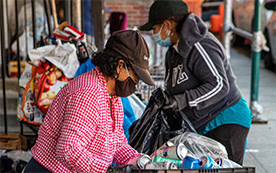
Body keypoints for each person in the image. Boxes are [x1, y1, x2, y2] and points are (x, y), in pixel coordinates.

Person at [24, 30, 155, 172]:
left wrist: (139, 160)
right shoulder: (88, 93)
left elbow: (116, 143)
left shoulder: (112, 96)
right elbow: (68, 149)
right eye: (135, 76)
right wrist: (107, 170)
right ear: (120, 66)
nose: (136, 82)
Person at [139, 0, 252, 165]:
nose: (154, 34)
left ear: (167, 25)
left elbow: (219, 85)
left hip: (225, 118)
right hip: (200, 123)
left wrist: (181, 100)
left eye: (155, 29)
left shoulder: (200, 45)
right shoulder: (173, 52)